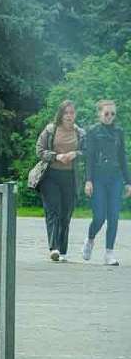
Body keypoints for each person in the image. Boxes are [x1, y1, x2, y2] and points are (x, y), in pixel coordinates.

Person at [34, 100, 85, 262]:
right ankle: (54, 248)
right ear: (61, 114)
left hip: (70, 177)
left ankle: (62, 251)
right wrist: (57, 156)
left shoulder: (80, 133)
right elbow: (39, 150)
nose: (69, 116)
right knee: (53, 211)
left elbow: (87, 151)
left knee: (66, 214)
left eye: (72, 113)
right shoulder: (50, 130)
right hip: (50, 175)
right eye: (66, 113)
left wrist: (75, 154)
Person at [81, 100, 130, 266]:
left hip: (115, 178)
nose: (110, 117)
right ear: (99, 114)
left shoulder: (119, 132)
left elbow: (123, 158)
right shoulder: (93, 132)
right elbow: (89, 158)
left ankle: (109, 253)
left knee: (114, 217)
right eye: (106, 113)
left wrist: (128, 182)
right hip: (98, 178)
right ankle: (90, 239)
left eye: (113, 114)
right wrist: (88, 180)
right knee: (100, 217)